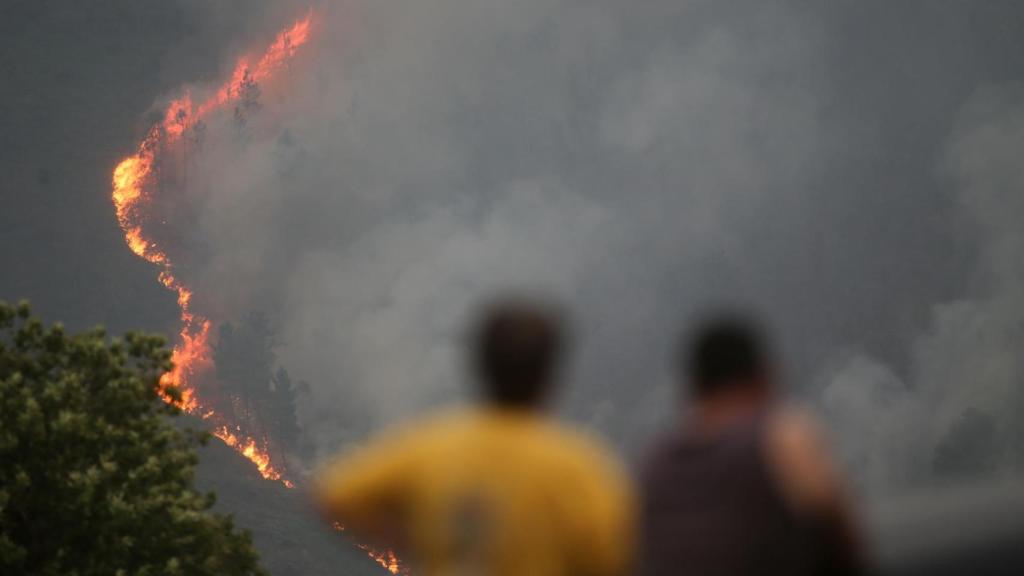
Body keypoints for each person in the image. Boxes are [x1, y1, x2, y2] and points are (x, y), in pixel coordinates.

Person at [315, 299, 634, 576]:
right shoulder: (579, 468)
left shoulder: (433, 445)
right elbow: (617, 559)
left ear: (481, 366)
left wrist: (419, 545)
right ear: (549, 376)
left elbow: (334, 497)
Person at [638, 315, 864, 576]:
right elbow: (840, 531)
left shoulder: (655, 462)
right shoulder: (781, 436)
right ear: (763, 375)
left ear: (697, 388)